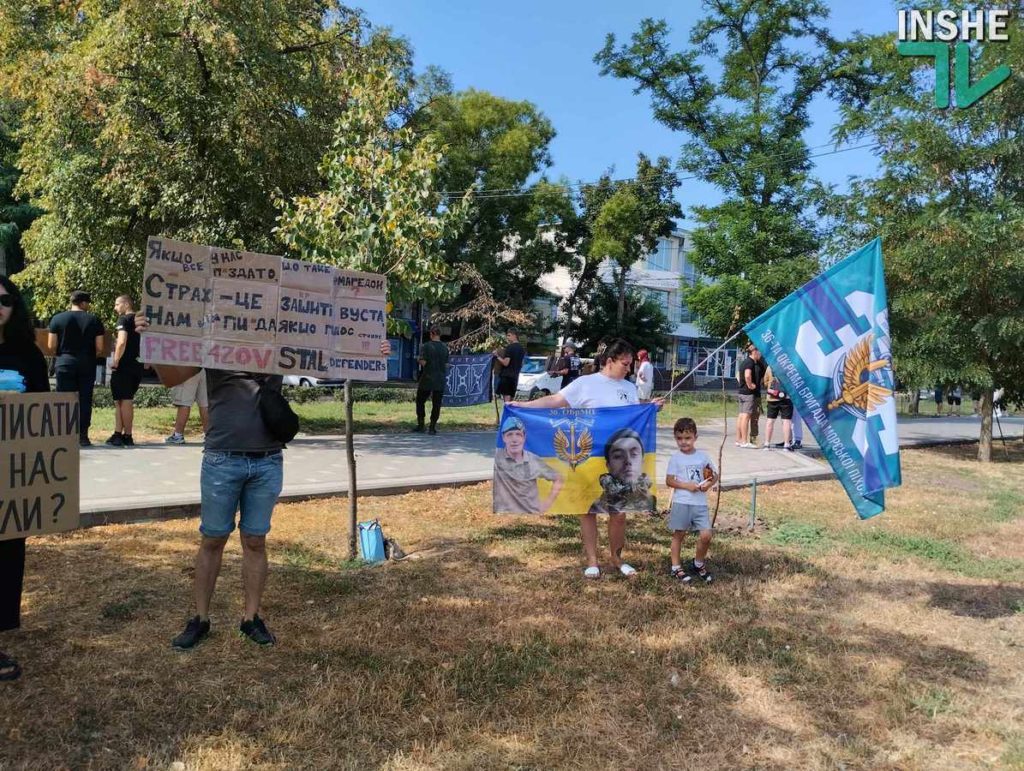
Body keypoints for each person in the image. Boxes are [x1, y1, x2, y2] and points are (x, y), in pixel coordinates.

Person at [136, 311, 390, 650]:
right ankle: (200, 619)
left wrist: (372, 352)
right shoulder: (215, 345)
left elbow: (329, 358)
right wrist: (150, 340)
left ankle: (251, 619)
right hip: (222, 460)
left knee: (255, 542)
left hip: (268, 461)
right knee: (212, 540)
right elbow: (172, 377)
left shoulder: (279, 347)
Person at [518, 338, 664, 579]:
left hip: (617, 462)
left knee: (619, 511)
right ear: (609, 361)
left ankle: (617, 558)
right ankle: (592, 561)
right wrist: (524, 406)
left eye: (630, 365)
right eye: (625, 364)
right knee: (587, 509)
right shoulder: (585, 384)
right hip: (588, 459)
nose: (629, 369)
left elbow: (633, 415)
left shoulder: (628, 388)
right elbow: (555, 401)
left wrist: (650, 407)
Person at [0, 275, 50, 681]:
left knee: (6, 552)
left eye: (4, 300)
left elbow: (45, 413)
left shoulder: (27, 353)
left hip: (12, 472)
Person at [665, 417, 719, 584]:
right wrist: (686, 485)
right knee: (679, 534)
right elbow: (669, 480)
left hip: (700, 504)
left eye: (687, 438)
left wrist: (708, 484)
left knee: (706, 535)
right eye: (679, 438)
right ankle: (676, 567)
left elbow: (713, 475)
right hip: (682, 502)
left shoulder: (703, 457)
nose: (683, 442)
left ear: (695, 437)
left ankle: (698, 563)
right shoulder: (675, 458)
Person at [48, 290, 105, 446]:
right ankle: (83, 436)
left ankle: (64, 435)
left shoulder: (57, 319)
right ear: (83, 303)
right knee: (85, 399)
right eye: (88, 303)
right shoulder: (94, 320)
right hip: (87, 363)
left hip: (65, 362)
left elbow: (51, 345)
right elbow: (100, 347)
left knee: (64, 399)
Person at [492, 416, 564, 514]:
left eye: (518, 434)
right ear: (503, 438)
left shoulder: (534, 460)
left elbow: (559, 479)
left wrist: (546, 505)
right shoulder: (497, 457)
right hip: (504, 515)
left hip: (530, 514)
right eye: (509, 435)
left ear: (524, 437)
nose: (514, 439)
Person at [588, 428, 656, 515]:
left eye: (634, 454)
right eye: (618, 456)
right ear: (608, 465)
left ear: (642, 461)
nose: (628, 461)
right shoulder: (598, 508)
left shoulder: (650, 503)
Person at [106, 295, 143, 447]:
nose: (115, 308)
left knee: (122, 401)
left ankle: (127, 435)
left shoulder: (124, 320)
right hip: (137, 365)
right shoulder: (141, 320)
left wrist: (116, 361)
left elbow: (121, 342)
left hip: (124, 365)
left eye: (117, 304)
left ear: (126, 304)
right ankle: (118, 433)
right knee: (124, 400)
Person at [414, 326, 449, 435]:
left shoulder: (426, 346)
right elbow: (446, 364)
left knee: (420, 401)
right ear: (439, 334)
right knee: (436, 404)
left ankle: (421, 425)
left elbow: (423, 363)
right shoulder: (445, 347)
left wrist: (418, 359)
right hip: (440, 379)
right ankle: (432, 427)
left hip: (427, 379)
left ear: (431, 334)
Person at [165, 370, 209, 444]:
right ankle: (209, 436)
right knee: (205, 404)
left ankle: (178, 436)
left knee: (184, 403)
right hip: (206, 367)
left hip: (188, 367)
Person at [735, 344, 762, 448]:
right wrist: (750, 385)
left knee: (741, 416)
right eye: (759, 352)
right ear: (754, 352)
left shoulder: (744, 362)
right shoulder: (750, 363)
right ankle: (744, 441)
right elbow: (747, 375)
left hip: (741, 392)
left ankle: (738, 440)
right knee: (746, 417)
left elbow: (739, 375)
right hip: (748, 394)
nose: (760, 354)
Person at [762, 365, 794, 450]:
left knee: (770, 421)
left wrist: (771, 384)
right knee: (786, 421)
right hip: (786, 398)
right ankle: (786, 445)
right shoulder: (790, 366)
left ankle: (767, 444)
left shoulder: (769, 367)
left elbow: (765, 382)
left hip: (772, 398)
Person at [493, 329, 526, 404]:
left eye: (509, 335)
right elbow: (522, 363)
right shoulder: (522, 349)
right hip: (515, 376)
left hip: (507, 376)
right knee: (511, 400)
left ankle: (506, 415)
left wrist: (497, 356)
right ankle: (510, 415)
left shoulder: (510, 347)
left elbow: (506, 363)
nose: (507, 337)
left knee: (507, 401)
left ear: (514, 336)